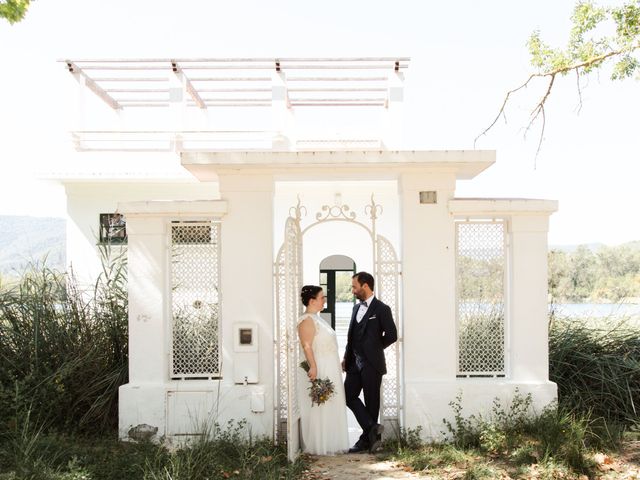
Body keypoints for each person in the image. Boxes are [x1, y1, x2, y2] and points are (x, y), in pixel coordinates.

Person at [342, 272, 398, 453]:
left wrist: (374, 348)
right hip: (353, 363)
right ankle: (372, 428)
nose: (353, 290)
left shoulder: (382, 309)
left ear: (365, 286)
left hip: (372, 364)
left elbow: (392, 335)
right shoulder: (355, 309)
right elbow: (351, 337)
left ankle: (368, 442)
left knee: (371, 402)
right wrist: (346, 357)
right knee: (348, 395)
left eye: (354, 287)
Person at [297, 285, 349, 455]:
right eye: (321, 297)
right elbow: (307, 346)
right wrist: (313, 366)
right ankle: (320, 444)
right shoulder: (306, 320)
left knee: (331, 403)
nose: (324, 300)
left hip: (330, 366)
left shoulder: (317, 318)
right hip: (321, 367)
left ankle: (331, 442)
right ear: (312, 301)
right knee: (321, 405)